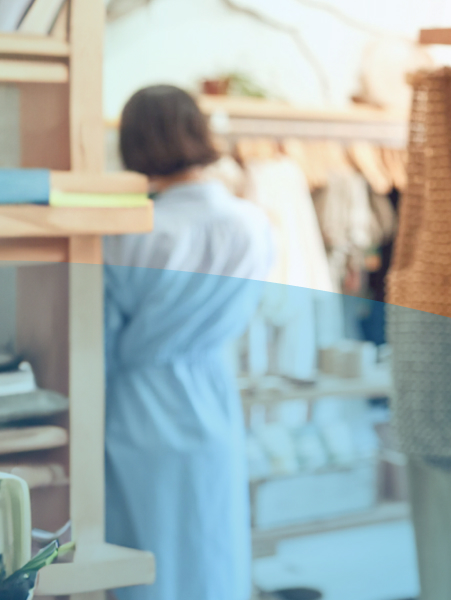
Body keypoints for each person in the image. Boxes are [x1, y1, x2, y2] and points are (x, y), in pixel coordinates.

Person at [103, 84, 273, 600]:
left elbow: (97, 339)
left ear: (132, 144)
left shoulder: (126, 232)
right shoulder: (252, 224)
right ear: (199, 131)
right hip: (213, 400)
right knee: (213, 548)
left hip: (137, 409)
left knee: (145, 560)